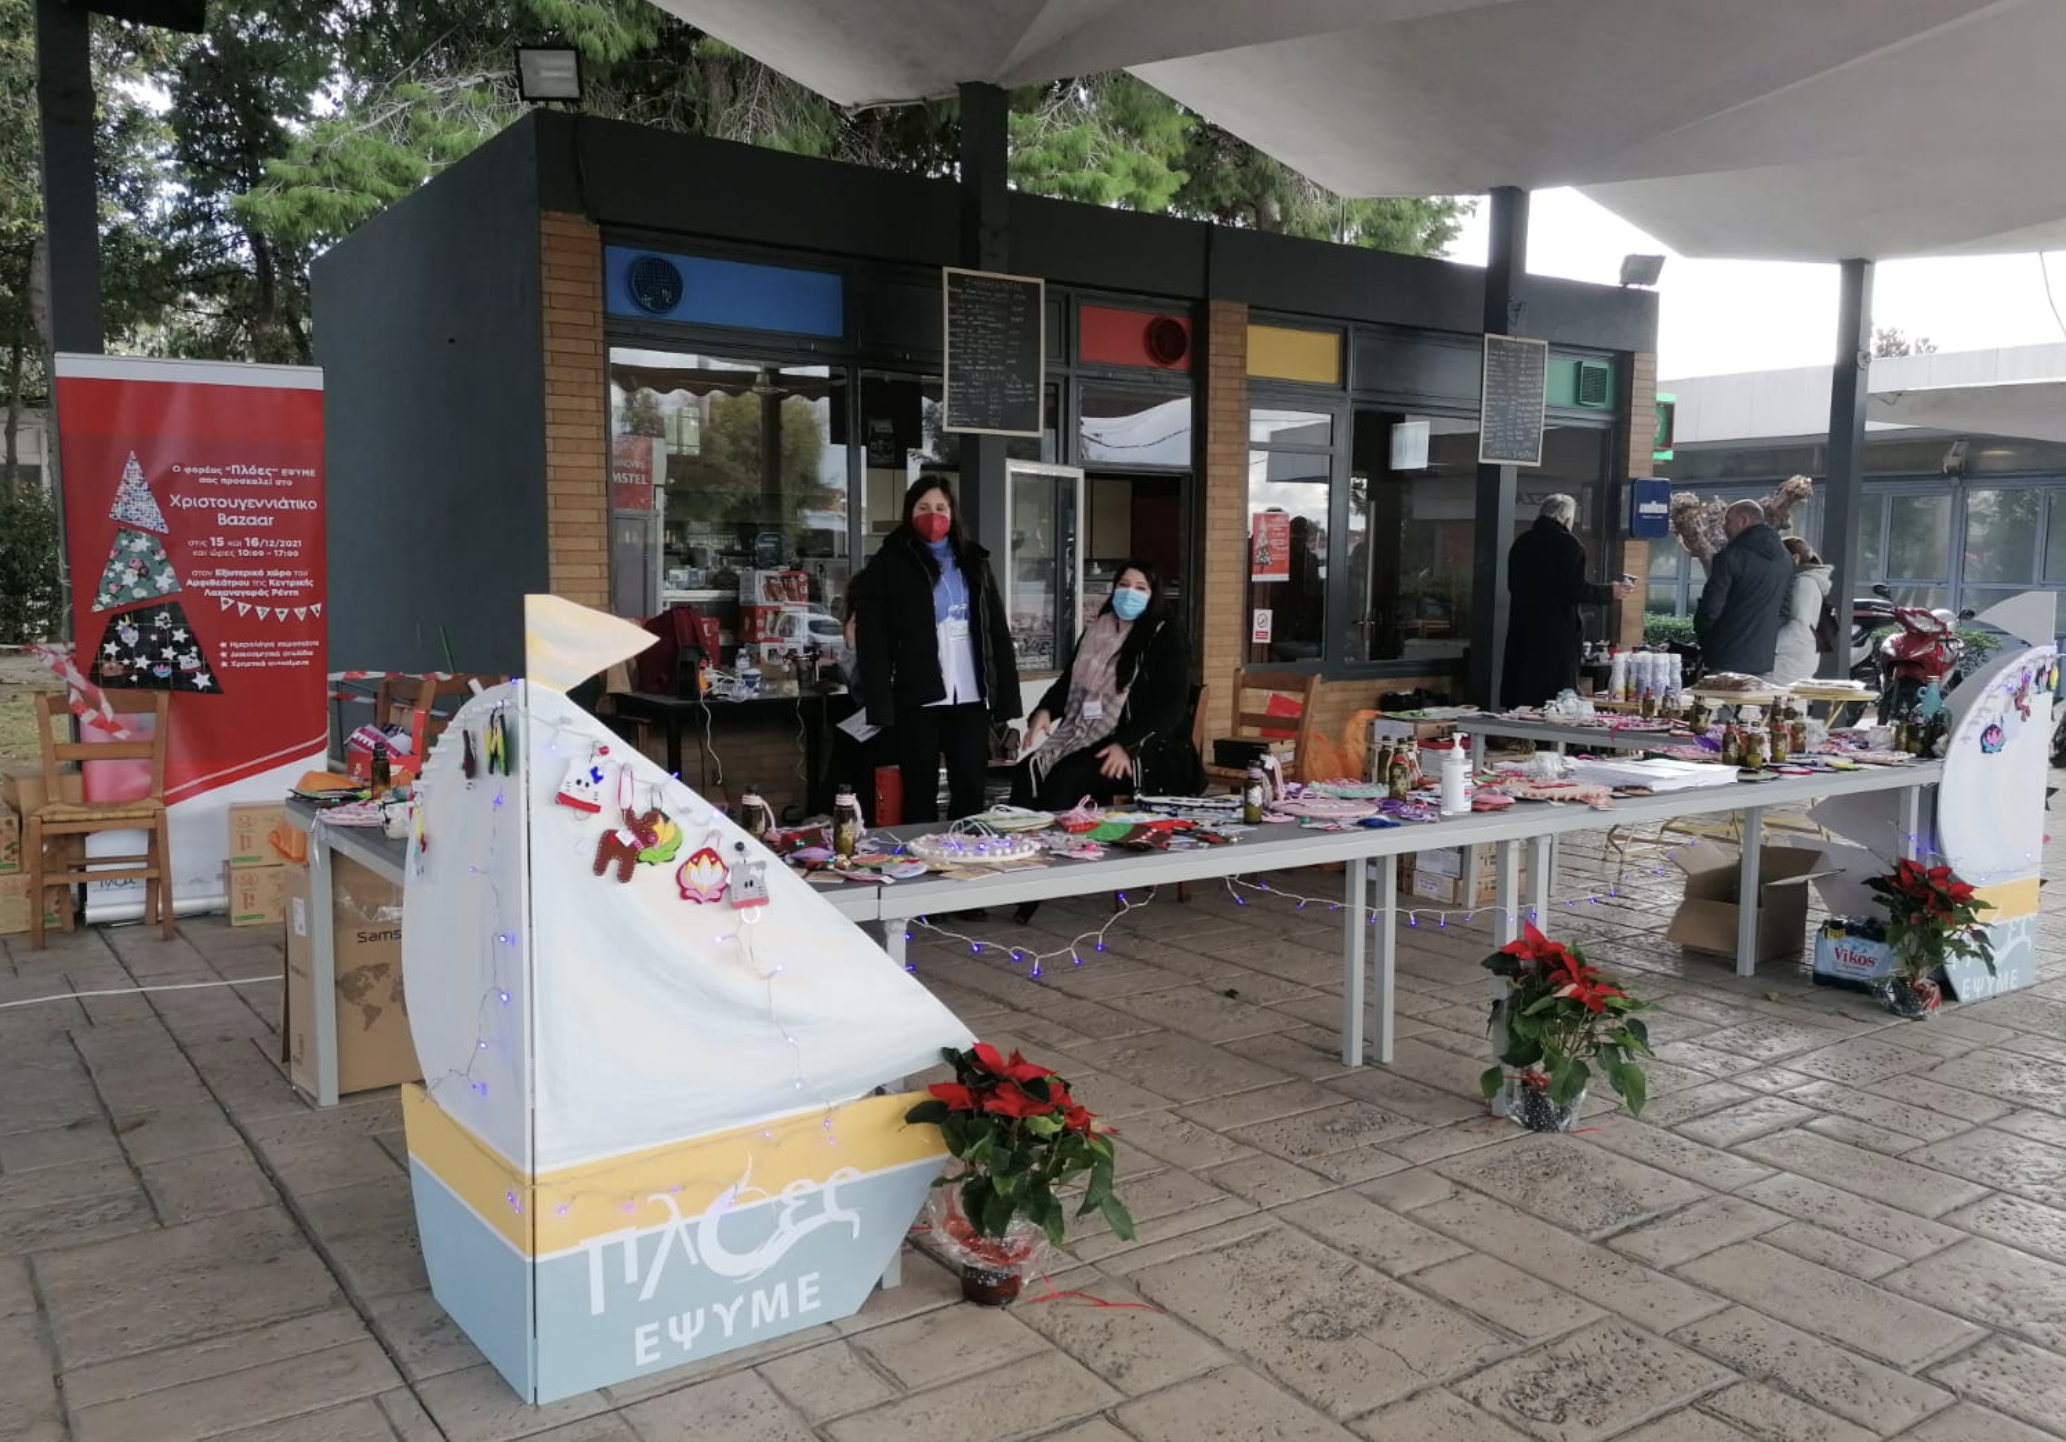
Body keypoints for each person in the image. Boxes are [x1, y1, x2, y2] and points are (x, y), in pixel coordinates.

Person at [856, 479, 1019, 822]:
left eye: (941, 508)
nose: (933, 516)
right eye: (923, 508)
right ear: (909, 512)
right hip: (918, 694)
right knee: (920, 790)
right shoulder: (890, 561)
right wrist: (880, 704)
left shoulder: (974, 560)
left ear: (953, 513)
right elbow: (874, 639)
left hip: (971, 694)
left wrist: (1006, 696)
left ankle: (966, 848)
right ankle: (922, 851)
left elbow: (996, 630)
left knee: (971, 785)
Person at [1015, 561, 1193, 808]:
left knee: (1064, 779)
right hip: (1089, 736)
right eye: (1123, 585)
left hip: (1143, 750)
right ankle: (1021, 832)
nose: (1129, 593)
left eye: (1140, 588)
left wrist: (1126, 745)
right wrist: (1045, 711)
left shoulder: (1164, 635)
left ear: (1153, 595)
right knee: (1027, 772)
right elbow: (1069, 681)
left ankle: (1060, 834)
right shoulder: (1097, 630)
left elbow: (1170, 706)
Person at [1500, 495, 1633, 707]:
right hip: (1556, 637)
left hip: (1522, 632)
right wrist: (1609, 592)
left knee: (1522, 696)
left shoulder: (1522, 542)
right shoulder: (1569, 545)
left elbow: (1513, 585)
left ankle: (1519, 727)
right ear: (1567, 518)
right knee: (1553, 700)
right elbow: (1574, 589)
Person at [1695, 499, 1796, 676]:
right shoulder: (1786, 559)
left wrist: (1706, 638)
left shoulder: (1729, 557)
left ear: (1744, 520)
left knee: (1716, 695)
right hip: (1762, 660)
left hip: (1724, 656)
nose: (1724, 527)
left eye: (1728, 521)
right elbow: (1785, 610)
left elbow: (1710, 610)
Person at [1767, 537, 1834, 685]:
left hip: (1789, 658)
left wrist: (1770, 646)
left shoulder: (1803, 582)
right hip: (1801, 654)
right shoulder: (1809, 580)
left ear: (1794, 558)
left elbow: (1799, 623)